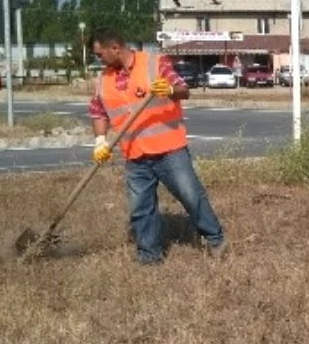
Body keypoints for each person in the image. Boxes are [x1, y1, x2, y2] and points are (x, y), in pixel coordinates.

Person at [88, 27, 228, 264]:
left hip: (169, 150)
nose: (98, 59)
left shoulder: (155, 63)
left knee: (191, 196)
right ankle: (149, 256)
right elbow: (98, 113)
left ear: (115, 48)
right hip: (135, 154)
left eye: (100, 54)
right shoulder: (103, 80)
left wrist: (171, 90)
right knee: (140, 208)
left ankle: (216, 240)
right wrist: (100, 141)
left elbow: (185, 91)